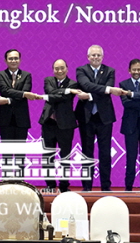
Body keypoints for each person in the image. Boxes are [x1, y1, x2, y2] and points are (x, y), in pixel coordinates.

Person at [75, 45, 122, 191]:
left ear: (102, 57)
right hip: (86, 116)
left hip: (104, 117)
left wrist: (89, 95)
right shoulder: (81, 70)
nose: (96, 58)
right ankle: (87, 186)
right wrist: (107, 90)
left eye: (98, 55)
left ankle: (106, 186)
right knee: (87, 152)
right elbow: (86, 84)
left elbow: (96, 90)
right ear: (88, 57)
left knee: (105, 152)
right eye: (93, 55)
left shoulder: (110, 71)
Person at [39, 59, 88, 192]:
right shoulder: (48, 80)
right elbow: (50, 92)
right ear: (53, 69)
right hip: (48, 123)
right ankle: (50, 185)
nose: (59, 71)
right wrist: (65, 92)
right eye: (56, 68)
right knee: (47, 156)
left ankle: (64, 186)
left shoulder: (73, 84)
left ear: (67, 68)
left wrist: (58, 94)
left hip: (65, 125)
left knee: (65, 156)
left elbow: (57, 97)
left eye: (62, 68)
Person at [119, 59, 140, 192]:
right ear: (129, 70)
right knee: (131, 157)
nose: (136, 72)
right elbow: (126, 103)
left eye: (139, 69)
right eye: (134, 69)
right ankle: (128, 186)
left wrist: (131, 94)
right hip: (129, 125)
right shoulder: (123, 84)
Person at [0, 49, 40, 141]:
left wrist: (8, 100)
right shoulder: (0, 75)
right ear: (5, 60)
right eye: (10, 58)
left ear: (20, 60)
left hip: (22, 118)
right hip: (5, 118)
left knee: (20, 152)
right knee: (6, 152)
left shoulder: (26, 75)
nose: (13, 61)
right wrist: (23, 94)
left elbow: (26, 92)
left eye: (16, 58)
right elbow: (5, 91)